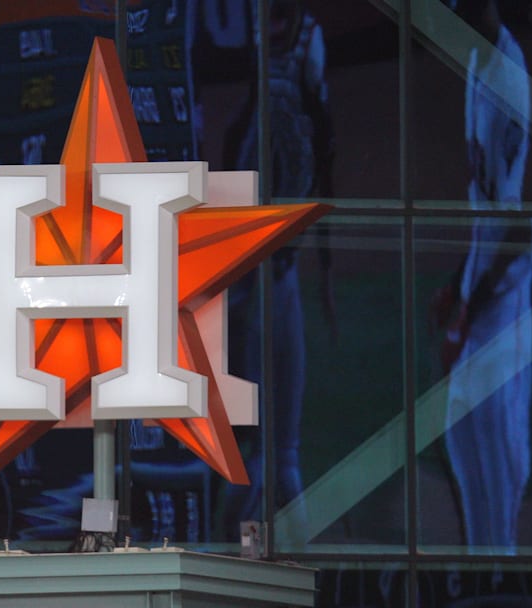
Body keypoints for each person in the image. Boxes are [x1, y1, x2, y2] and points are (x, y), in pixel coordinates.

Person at [212, 0, 336, 541]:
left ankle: (284, 559)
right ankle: (249, 555)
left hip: (273, 276)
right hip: (260, 279)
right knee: (267, 452)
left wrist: (320, 267)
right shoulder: (265, 113)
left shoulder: (291, 97)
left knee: (278, 452)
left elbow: (317, 153)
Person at [432, 0, 532, 549]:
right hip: (482, 282)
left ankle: (506, 573)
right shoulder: (479, 60)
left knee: (498, 451)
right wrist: (459, 283)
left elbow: (517, 226)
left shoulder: (509, 83)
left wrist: (467, 308)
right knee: (461, 432)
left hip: (504, 292)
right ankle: (483, 567)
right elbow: (488, 212)